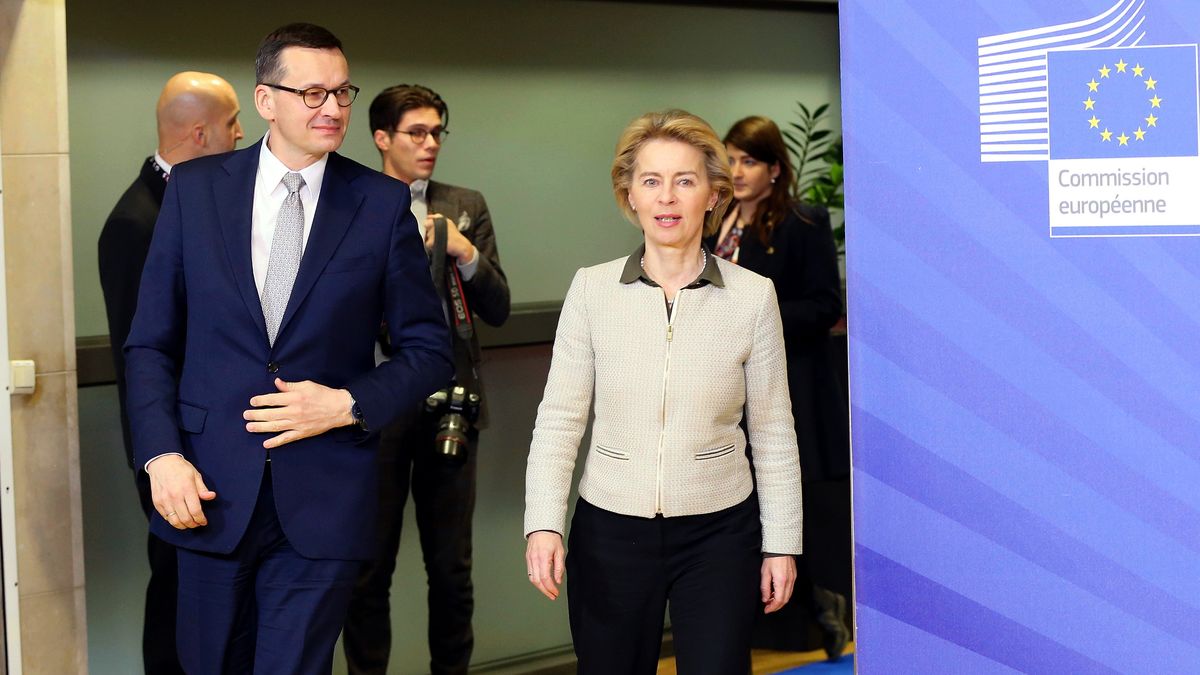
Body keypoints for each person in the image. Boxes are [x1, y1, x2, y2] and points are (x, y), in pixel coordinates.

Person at [123, 23, 452, 674]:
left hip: (324, 498)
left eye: (340, 92)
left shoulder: (381, 204)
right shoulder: (196, 190)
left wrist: (347, 403)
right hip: (208, 491)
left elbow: (428, 349)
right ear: (265, 100)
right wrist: (160, 454)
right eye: (310, 92)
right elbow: (150, 343)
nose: (332, 108)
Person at [523, 109, 804, 674]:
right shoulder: (592, 290)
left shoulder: (754, 297)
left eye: (685, 180)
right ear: (630, 194)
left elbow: (773, 430)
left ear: (713, 194)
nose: (667, 198)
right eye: (651, 181)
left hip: (720, 533)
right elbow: (559, 420)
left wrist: (782, 542)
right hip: (611, 528)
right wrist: (544, 522)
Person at [343, 84, 510, 675]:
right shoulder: (350, 202)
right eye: (416, 132)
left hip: (452, 402)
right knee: (367, 567)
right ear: (382, 138)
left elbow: (498, 307)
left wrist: (465, 252)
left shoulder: (464, 204)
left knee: (451, 567)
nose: (430, 143)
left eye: (438, 131)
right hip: (376, 403)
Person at [98, 70, 243, 675]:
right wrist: (164, 460)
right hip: (177, 456)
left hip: (222, 443)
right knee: (180, 608)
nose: (244, 136)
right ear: (202, 132)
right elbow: (146, 359)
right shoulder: (139, 221)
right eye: (235, 125)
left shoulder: (200, 201)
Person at [707, 115, 850, 661]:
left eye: (748, 161)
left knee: (796, 506)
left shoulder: (803, 222)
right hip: (724, 391)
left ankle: (821, 606)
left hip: (790, 386)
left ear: (774, 169)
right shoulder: (712, 222)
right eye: (731, 159)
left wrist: (755, 319)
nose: (737, 171)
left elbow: (824, 306)